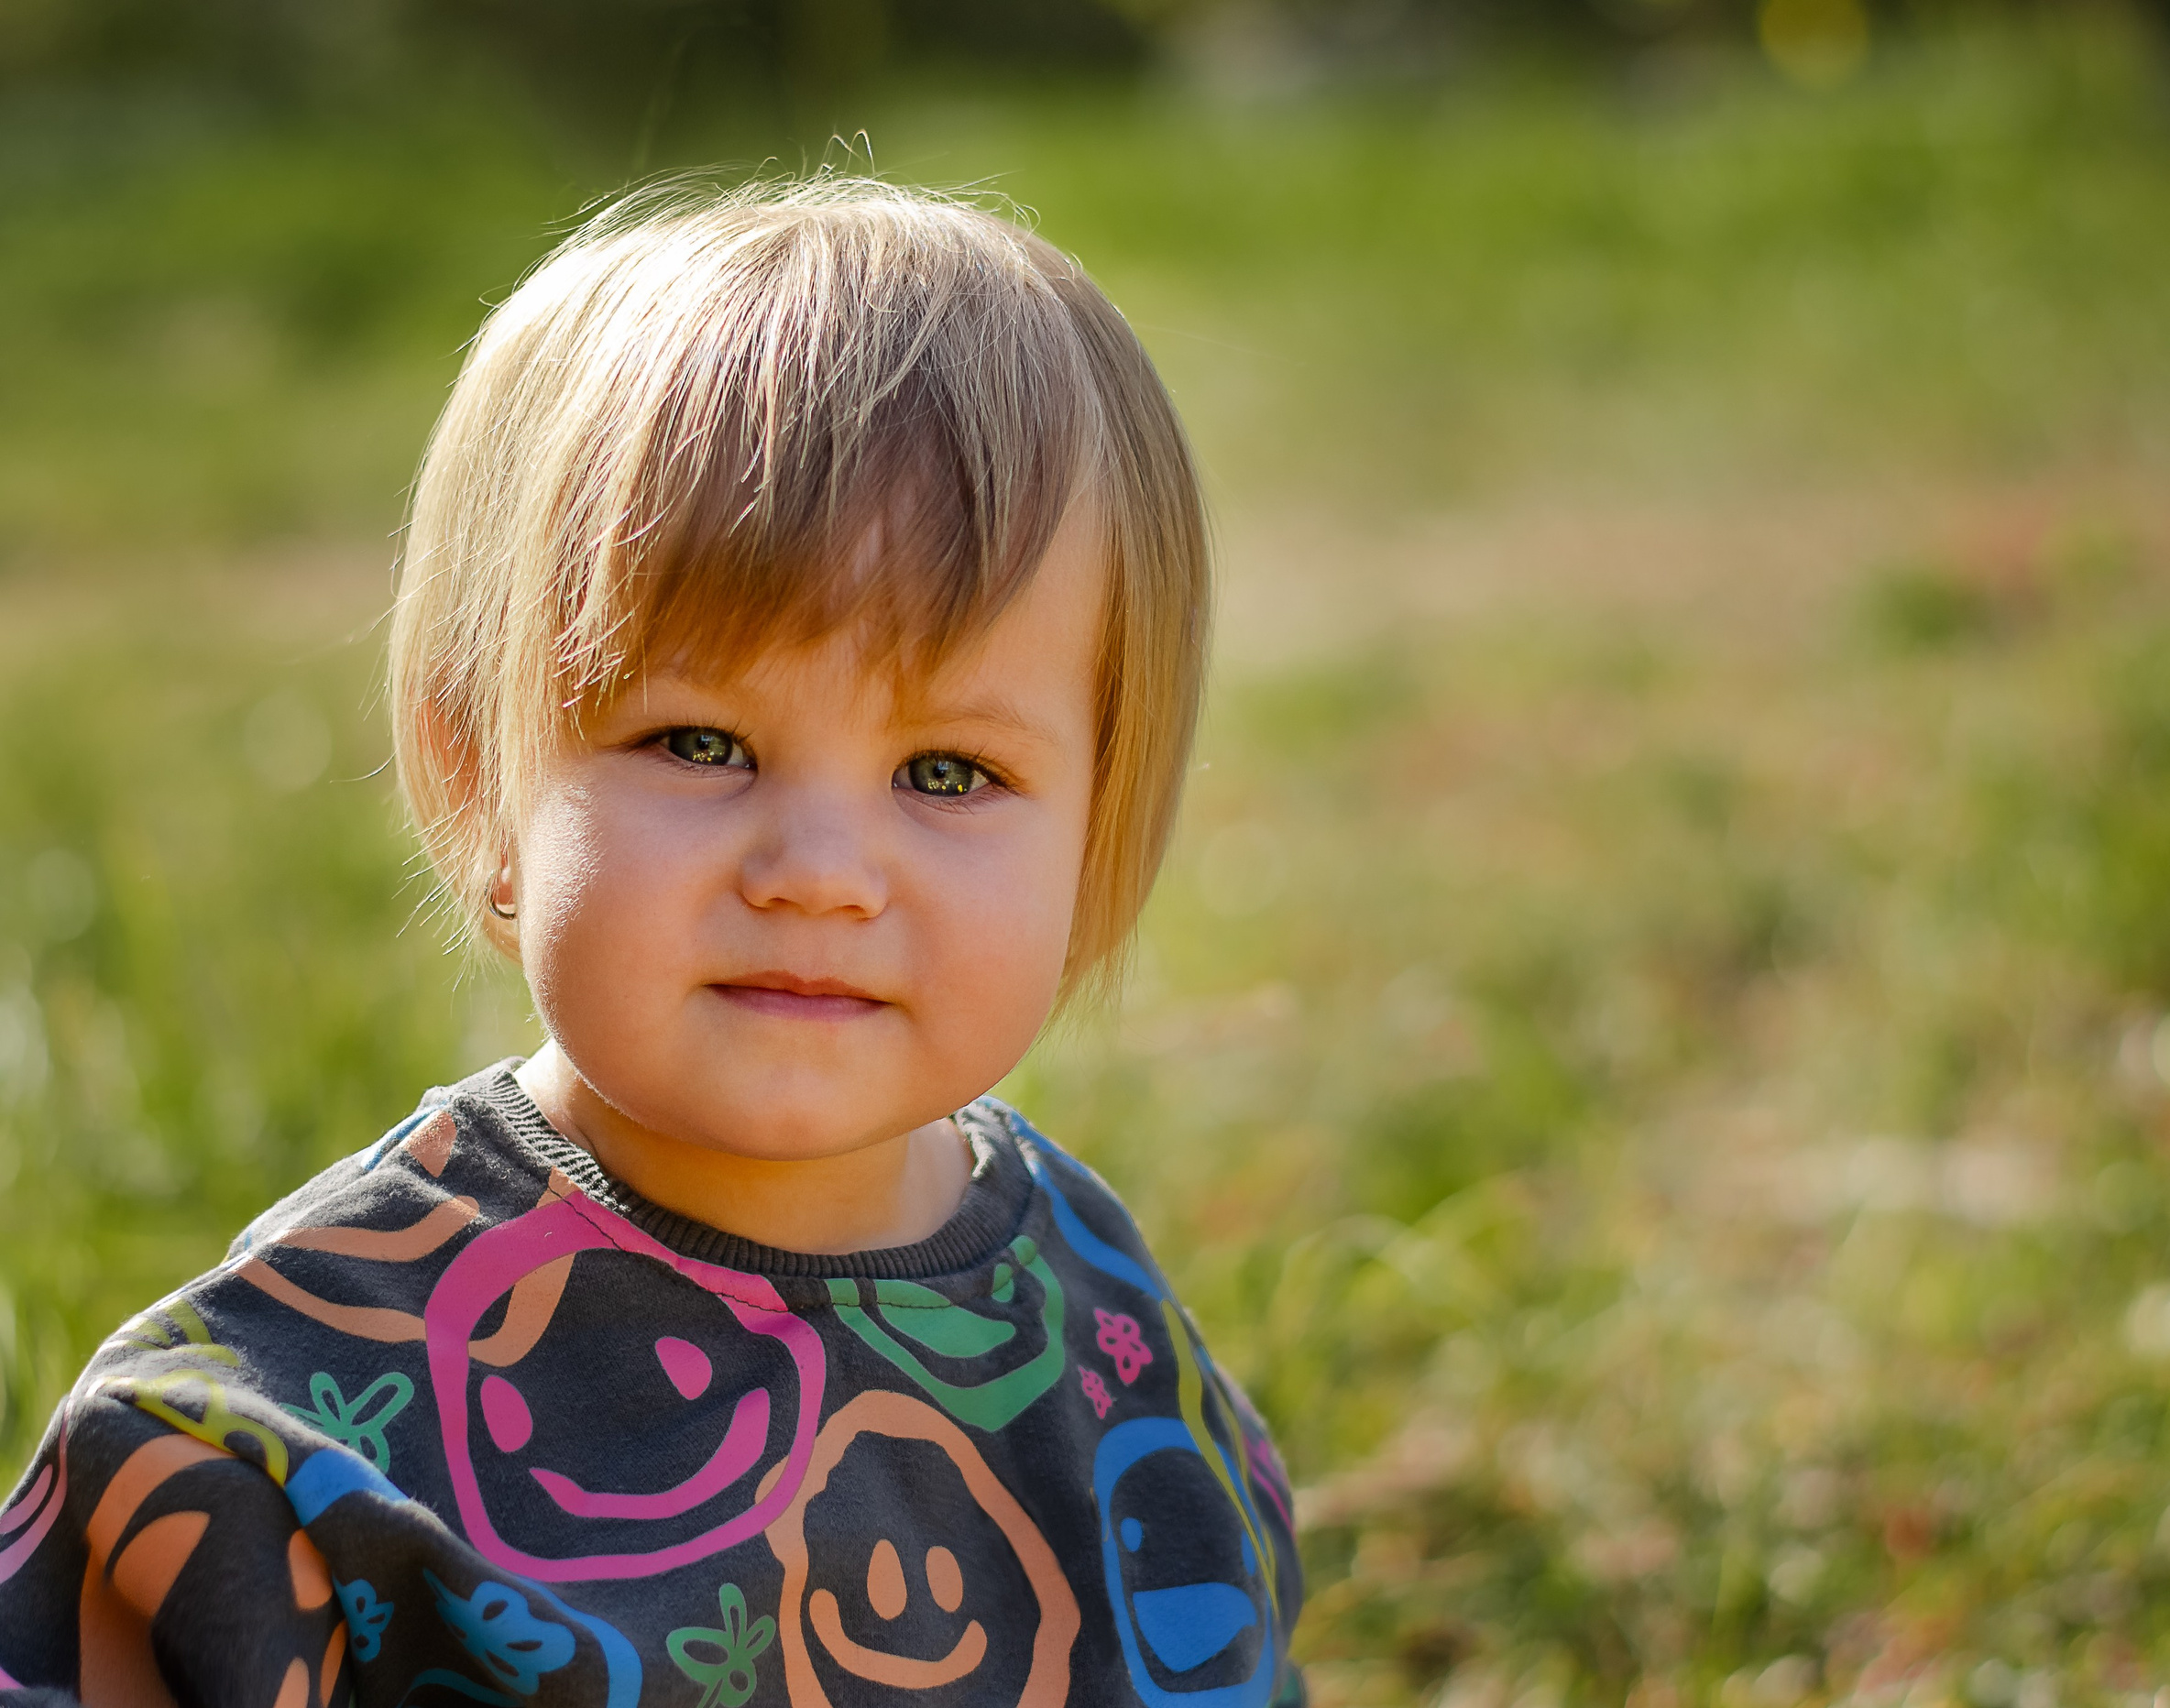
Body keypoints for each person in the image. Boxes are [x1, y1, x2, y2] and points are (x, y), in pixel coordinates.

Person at [0, 178, 1307, 1706]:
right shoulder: (283, 1441)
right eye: (699, 741)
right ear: (480, 778)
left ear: (1102, 828)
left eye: (947, 774)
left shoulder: (1097, 1326)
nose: (820, 873)